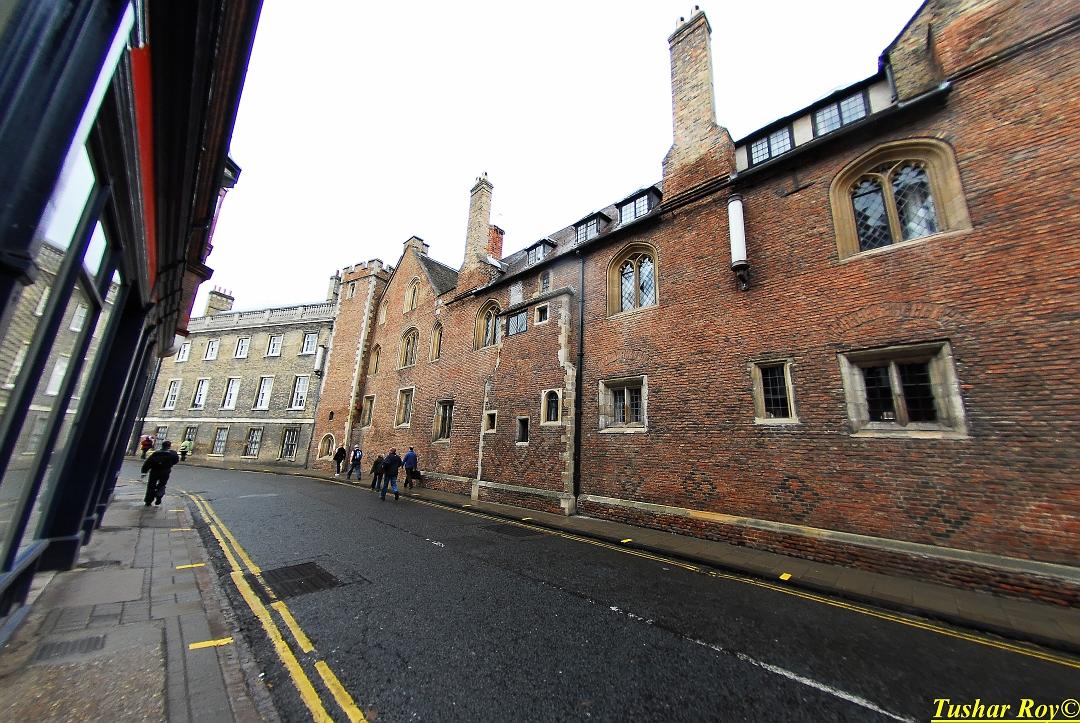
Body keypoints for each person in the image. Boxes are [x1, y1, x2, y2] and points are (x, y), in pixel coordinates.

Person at [141, 440, 179, 506]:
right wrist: (169, 465)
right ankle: (159, 495)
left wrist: (144, 472)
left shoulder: (156, 453)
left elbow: (148, 463)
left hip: (154, 471)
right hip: (165, 471)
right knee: (162, 484)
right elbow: (176, 461)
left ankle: (148, 501)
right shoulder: (173, 453)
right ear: (169, 446)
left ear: (162, 445)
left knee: (151, 486)